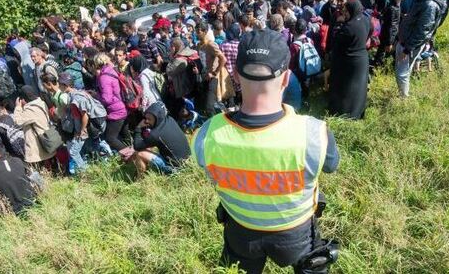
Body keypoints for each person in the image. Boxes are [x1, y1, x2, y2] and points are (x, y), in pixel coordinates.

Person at [191, 28, 340, 274]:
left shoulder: (207, 134)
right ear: (285, 79)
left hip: (240, 232)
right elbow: (332, 165)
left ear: (236, 76)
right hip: (296, 235)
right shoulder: (314, 133)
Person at [396, 0, 447, 97]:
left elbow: (423, 31)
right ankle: (402, 95)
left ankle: (403, 100)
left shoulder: (429, 4)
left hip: (410, 45)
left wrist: (407, 49)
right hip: (404, 40)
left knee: (402, 73)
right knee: (401, 71)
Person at [327, 0, 371, 119]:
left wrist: (338, 24)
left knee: (346, 89)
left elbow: (336, 40)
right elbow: (371, 31)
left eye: (346, 11)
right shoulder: (365, 19)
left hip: (348, 61)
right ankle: (358, 113)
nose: (344, 14)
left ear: (352, 11)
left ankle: (343, 114)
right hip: (361, 58)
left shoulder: (348, 27)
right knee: (359, 88)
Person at [58, 73, 109, 174]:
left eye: (60, 84)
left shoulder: (76, 98)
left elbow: (85, 116)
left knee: (73, 151)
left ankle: (85, 172)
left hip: (86, 127)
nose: (59, 86)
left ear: (65, 85)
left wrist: (81, 130)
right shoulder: (76, 93)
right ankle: (105, 153)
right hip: (86, 127)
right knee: (90, 146)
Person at [125, 101, 190, 175]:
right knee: (146, 146)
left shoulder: (155, 134)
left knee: (140, 153)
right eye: (145, 118)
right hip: (187, 160)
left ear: (157, 118)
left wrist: (138, 128)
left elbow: (137, 146)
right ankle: (135, 164)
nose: (146, 121)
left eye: (149, 119)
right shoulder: (170, 119)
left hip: (176, 168)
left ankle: (139, 179)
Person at [94, 53, 130, 153]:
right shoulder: (111, 70)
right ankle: (135, 151)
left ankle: (130, 155)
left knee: (110, 138)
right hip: (123, 106)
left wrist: (95, 96)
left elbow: (106, 99)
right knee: (125, 134)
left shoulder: (103, 77)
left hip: (116, 111)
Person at [196, 22, 232, 116]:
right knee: (206, 104)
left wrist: (214, 73)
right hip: (204, 77)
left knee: (209, 106)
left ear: (205, 32)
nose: (196, 33)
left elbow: (223, 59)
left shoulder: (211, 45)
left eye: (198, 31)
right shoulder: (199, 45)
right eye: (196, 31)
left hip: (213, 78)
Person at [13, 85, 55, 165]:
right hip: (46, 134)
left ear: (24, 98)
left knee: (42, 160)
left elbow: (17, 122)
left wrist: (18, 107)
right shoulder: (41, 103)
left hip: (38, 140)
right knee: (49, 157)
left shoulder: (31, 109)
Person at [374, 0, 407, 67]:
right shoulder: (393, 8)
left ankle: (378, 66)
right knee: (382, 53)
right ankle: (376, 68)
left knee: (383, 52)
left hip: (389, 35)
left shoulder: (395, 5)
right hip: (388, 37)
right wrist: (389, 42)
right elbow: (391, 26)